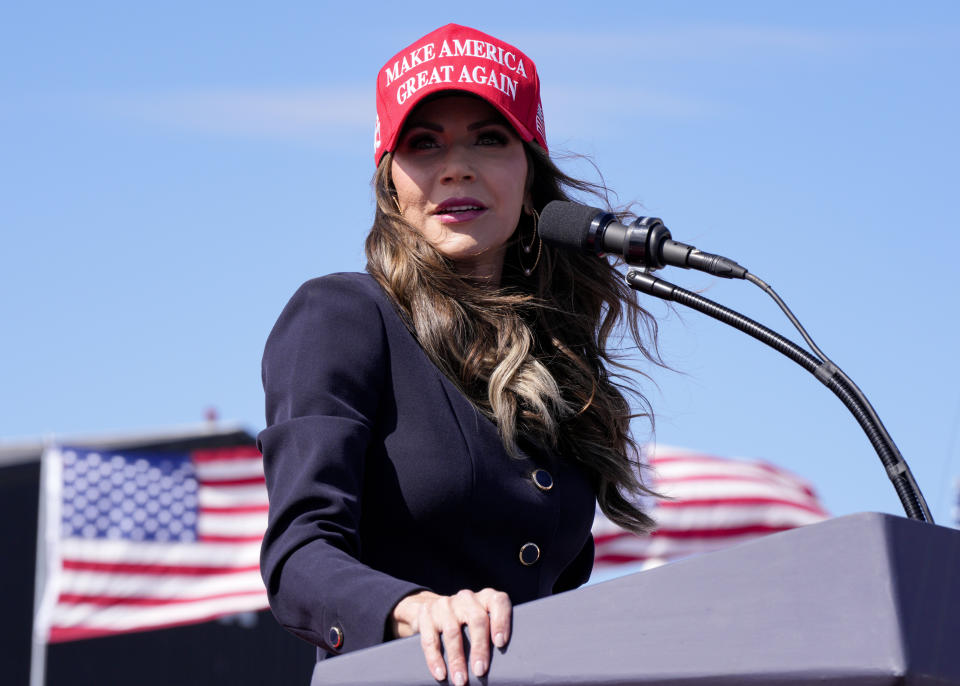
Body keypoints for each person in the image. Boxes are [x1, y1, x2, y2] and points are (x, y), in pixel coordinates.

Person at [258, 23, 659, 685]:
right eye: (424, 144)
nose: (456, 166)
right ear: (391, 185)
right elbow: (299, 555)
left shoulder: (559, 361)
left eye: (489, 138)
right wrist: (414, 609)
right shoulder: (344, 316)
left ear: (530, 175)